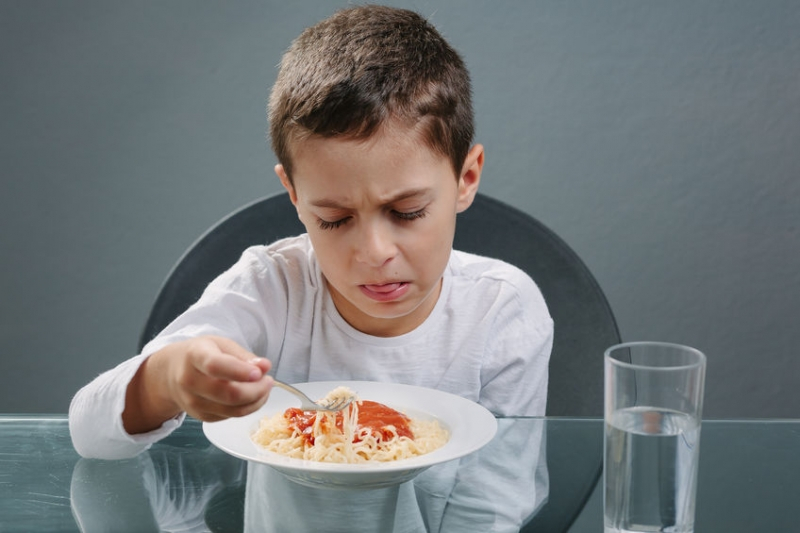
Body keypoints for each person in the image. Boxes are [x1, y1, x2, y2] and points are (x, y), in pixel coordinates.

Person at [69, 4, 552, 463]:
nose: (374, 252)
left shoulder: (501, 310)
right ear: (294, 195)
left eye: (406, 211)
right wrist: (166, 381)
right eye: (335, 220)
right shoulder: (269, 289)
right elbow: (89, 434)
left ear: (466, 179)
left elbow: (497, 496)